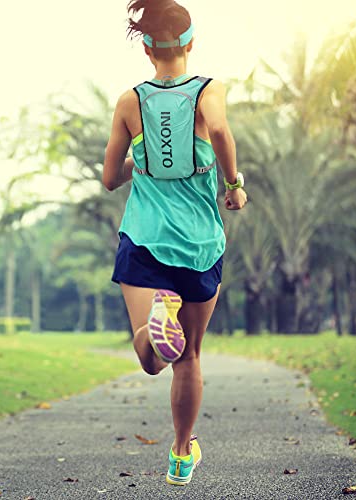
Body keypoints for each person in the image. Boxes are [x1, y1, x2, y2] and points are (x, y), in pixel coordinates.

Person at [102, 0, 247, 486]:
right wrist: (233, 184)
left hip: (145, 240)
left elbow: (109, 178)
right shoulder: (208, 90)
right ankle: (182, 454)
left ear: (147, 49)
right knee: (189, 357)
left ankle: (156, 323)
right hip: (198, 246)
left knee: (151, 358)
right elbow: (220, 130)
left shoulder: (130, 102)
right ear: (190, 43)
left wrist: (143, 161)